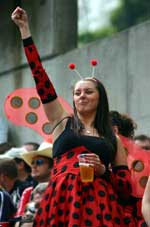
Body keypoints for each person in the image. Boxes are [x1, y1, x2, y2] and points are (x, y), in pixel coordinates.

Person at [11, 6, 134, 227]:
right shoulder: (62, 121)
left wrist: (103, 171)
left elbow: (126, 189)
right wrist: (25, 31)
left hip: (101, 207)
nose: (81, 96)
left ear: (100, 98)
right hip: (61, 203)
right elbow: (41, 79)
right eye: (77, 92)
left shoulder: (112, 138)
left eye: (88, 91)